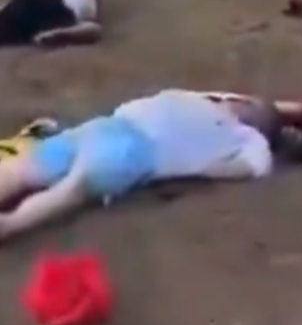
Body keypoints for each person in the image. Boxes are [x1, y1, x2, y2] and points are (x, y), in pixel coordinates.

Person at [0, 90, 284, 242]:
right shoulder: (215, 107)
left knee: (66, 185)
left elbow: (254, 166)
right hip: (118, 133)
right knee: (38, 174)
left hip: (132, 143)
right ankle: (10, 223)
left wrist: (199, 165)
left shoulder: (246, 137)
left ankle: (10, 225)